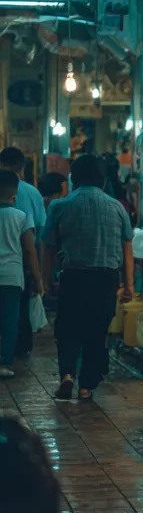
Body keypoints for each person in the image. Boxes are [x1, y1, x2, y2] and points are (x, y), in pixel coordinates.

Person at [42, 154, 134, 401]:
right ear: (103, 180)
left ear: (73, 179)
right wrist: (129, 285)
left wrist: (46, 280)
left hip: (73, 277)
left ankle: (67, 376)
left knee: (68, 327)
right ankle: (86, 386)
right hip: (106, 279)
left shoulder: (59, 206)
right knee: (97, 331)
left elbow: (48, 248)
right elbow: (127, 249)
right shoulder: (117, 207)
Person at [0, 147, 46, 358]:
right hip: (14, 272)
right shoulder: (28, 201)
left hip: (16, 270)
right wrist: (39, 277)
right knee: (14, 317)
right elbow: (33, 244)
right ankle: (10, 356)